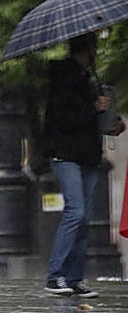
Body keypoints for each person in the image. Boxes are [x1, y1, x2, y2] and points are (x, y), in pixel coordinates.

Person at [41, 33, 123, 297]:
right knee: (75, 212)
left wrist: (111, 122)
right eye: (95, 47)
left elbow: (91, 120)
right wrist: (94, 109)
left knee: (85, 217)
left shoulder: (88, 79)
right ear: (89, 49)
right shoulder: (64, 78)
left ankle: (74, 277)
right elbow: (64, 118)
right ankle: (55, 276)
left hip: (87, 154)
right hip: (66, 154)